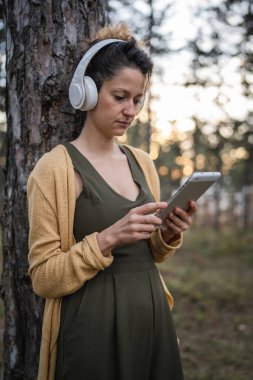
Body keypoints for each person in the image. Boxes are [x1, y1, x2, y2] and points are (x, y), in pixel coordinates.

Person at [27, 24, 197, 380]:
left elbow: (152, 254)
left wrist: (166, 233)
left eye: (137, 100)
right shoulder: (55, 169)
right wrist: (106, 239)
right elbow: (43, 278)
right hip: (94, 327)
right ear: (87, 92)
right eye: (119, 97)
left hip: (152, 317)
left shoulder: (143, 163)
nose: (130, 111)